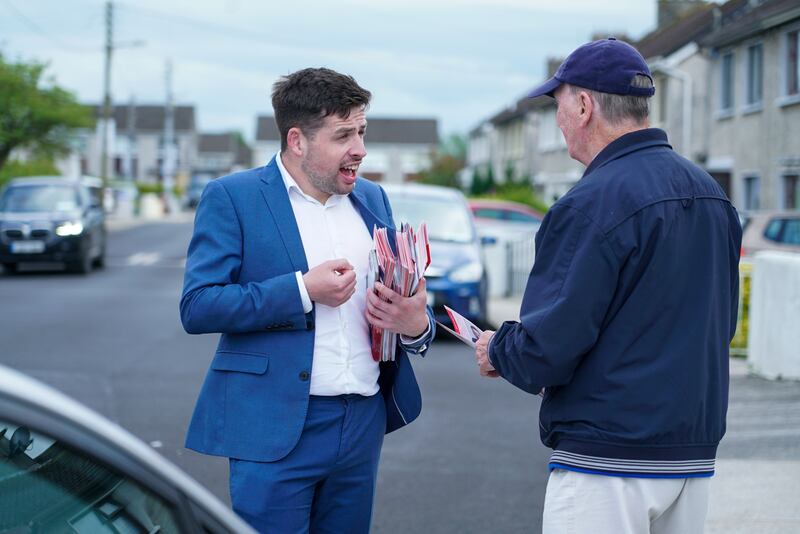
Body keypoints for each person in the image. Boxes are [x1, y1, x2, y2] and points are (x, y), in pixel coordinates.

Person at [475, 38, 742, 534]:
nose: (558, 120)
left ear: (583, 105)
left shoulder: (589, 203)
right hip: (691, 455)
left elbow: (547, 348)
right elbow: (719, 323)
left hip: (607, 460)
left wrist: (499, 349)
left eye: (558, 105)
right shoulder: (712, 196)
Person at [180, 67, 435, 533]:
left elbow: (405, 302)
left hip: (361, 421)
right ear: (297, 141)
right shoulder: (232, 198)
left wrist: (417, 323)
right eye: (343, 135)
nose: (359, 149)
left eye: (361, 131)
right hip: (275, 425)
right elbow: (198, 305)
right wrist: (301, 291)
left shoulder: (373, 198)